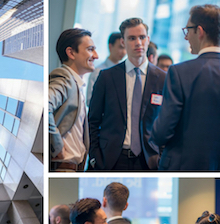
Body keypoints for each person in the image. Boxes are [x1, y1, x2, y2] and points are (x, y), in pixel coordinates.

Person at [151, 4, 220, 171]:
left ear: (199, 31)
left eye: (188, 30)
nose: (186, 37)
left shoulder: (179, 72)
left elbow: (161, 132)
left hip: (182, 167)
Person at [88, 18, 166, 171]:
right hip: (111, 159)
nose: (138, 43)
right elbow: (93, 120)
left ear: (148, 40)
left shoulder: (163, 79)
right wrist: (94, 156)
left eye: (142, 37)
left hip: (149, 161)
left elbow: (167, 123)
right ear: (123, 42)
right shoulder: (106, 77)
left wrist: (162, 157)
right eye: (132, 38)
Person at [49, 28, 98, 172]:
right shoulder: (64, 79)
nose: (96, 55)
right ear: (71, 53)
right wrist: (56, 144)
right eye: (90, 49)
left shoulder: (76, 85)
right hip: (63, 167)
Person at [86, 32, 126, 106]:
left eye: (125, 48)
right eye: (121, 47)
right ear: (110, 47)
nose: (124, 52)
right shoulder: (98, 71)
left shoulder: (126, 72)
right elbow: (90, 100)